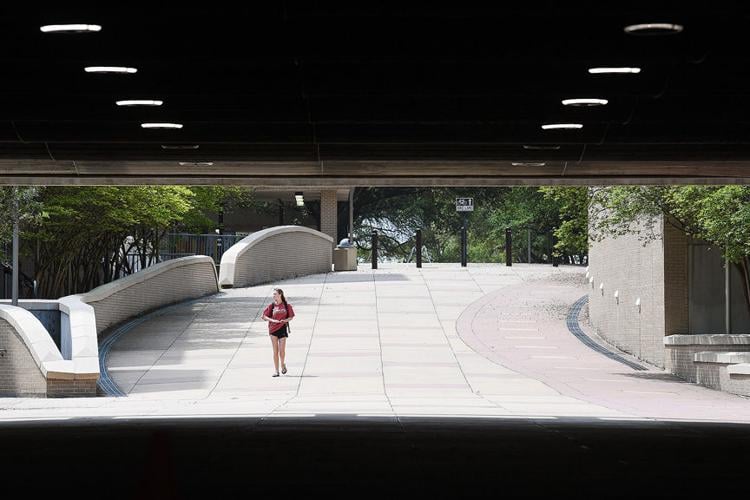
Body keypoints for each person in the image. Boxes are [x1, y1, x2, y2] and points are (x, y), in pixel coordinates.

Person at [261, 288, 295, 377]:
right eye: (273, 294)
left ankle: (282, 364)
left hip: (282, 328)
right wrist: (273, 320)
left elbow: (291, 316)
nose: (273, 296)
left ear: (280, 294)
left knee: (282, 351)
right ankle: (276, 371)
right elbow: (263, 316)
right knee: (275, 351)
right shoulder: (272, 306)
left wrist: (285, 320)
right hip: (273, 330)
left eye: (275, 294)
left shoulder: (286, 305)